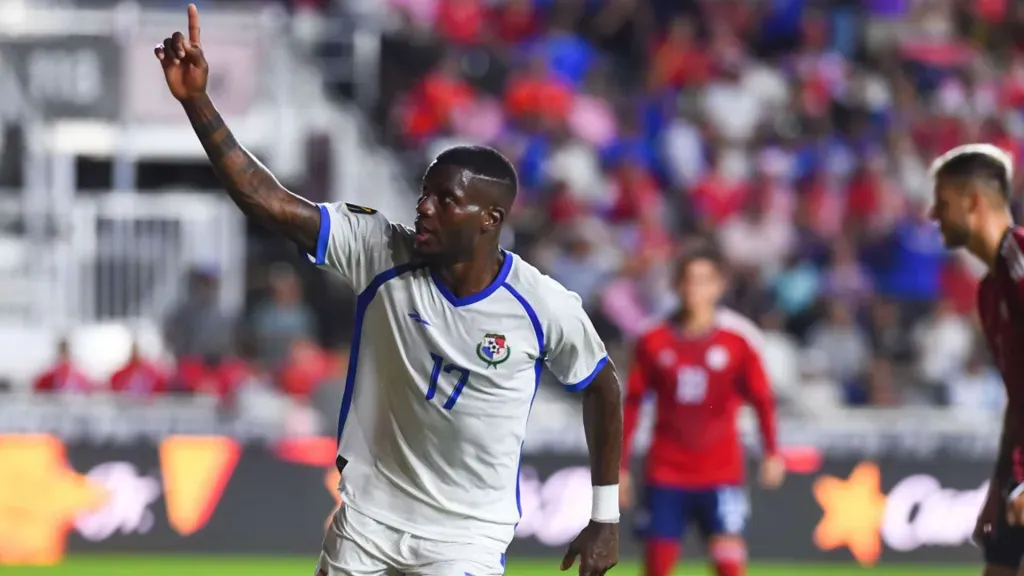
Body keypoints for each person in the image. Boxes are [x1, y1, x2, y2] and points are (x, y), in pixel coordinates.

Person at [154, 6, 623, 576]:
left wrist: (605, 517)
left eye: (446, 199)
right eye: (425, 192)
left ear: (489, 218)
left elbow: (601, 386)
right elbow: (264, 197)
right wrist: (197, 102)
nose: (424, 206)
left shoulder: (541, 303)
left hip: (466, 538)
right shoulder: (379, 250)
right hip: (367, 525)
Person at [620, 245, 784, 576]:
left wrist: (772, 451)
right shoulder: (652, 339)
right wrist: (619, 467)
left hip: (721, 474)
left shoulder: (739, 339)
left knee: (729, 566)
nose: (696, 289)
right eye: (689, 280)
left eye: (704, 280)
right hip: (666, 472)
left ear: (718, 286)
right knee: (657, 567)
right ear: (676, 285)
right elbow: (632, 406)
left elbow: (763, 399)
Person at [929, 143, 1024, 576]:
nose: (933, 215)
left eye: (941, 202)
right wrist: (1000, 482)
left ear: (972, 203)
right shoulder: (989, 292)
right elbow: (1017, 397)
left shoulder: (1019, 257)